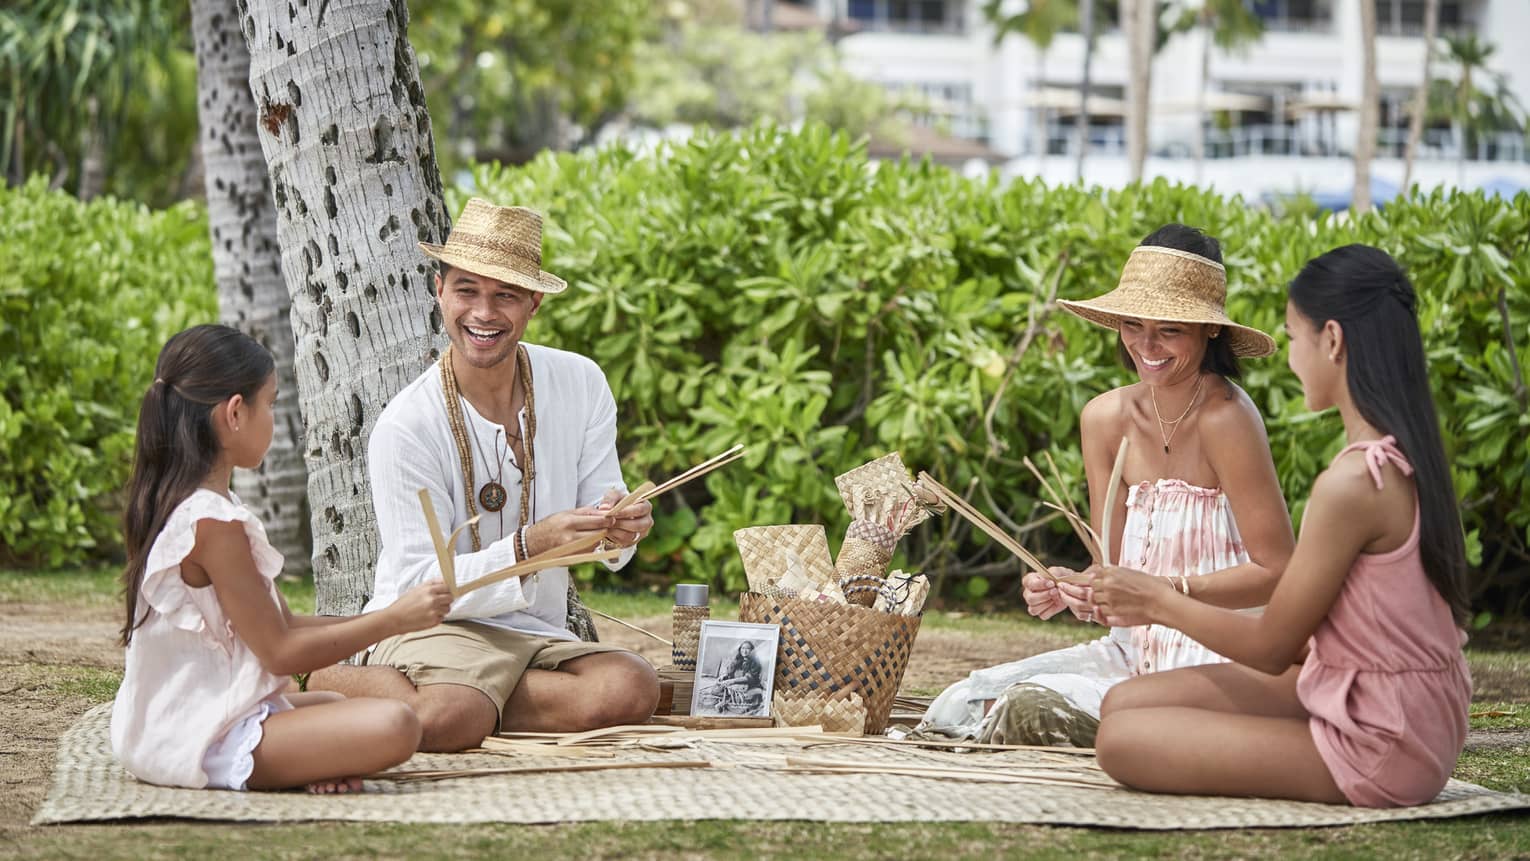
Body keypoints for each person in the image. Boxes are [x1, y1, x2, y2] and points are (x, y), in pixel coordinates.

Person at [1090, 245, 1472, 807]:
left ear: (1333, 341)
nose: (1291, 359)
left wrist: (1157, 600)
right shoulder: (1397, 453)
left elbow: (1272, 648)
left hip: (1386, 737)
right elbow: (1298, 643)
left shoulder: (1353, 483)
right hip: (1368, 694)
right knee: (1123, 702)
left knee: (1120, 739)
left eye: (1294, 338)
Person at [916, 224, 1295, 746]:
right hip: (1129, 652)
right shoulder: (1104, 419)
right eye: (1133, 325)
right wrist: (1073, 589)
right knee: (963, 702)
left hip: (1219, 652)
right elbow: (1114, 573)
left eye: (1170, 329)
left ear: (1210, 331)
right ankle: (1145, 729)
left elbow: (1279, 573)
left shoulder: (1226, 418)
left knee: (1029, 708)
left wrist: (1166, 594)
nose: (1146, 345)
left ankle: (1165, 729)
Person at [310, 199, 660, 752]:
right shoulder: (406, 425)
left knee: (632, 686)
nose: (484, 313)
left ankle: (472, 702)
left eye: (506, 295)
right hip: (434, 628)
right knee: (450, 716)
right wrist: (529, 545)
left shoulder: (581, 382)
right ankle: (324, 676)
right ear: (439, 291)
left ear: (534, 303)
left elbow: (606, 512)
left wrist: (621, 528)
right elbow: (416, 585)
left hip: (531, 633)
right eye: (467, 290)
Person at [110, 325, 453, 793]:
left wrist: (382, 615)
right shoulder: (212, 523)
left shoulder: (186, 502)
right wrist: (394, 621)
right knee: (398, 723)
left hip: (174, 720)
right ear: (235, 413)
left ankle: (311, 757)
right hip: (196, 737)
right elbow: (280, 652)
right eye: (269, 403)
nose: (275, 418)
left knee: (332, 700)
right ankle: (300, 761)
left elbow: (284, 623)